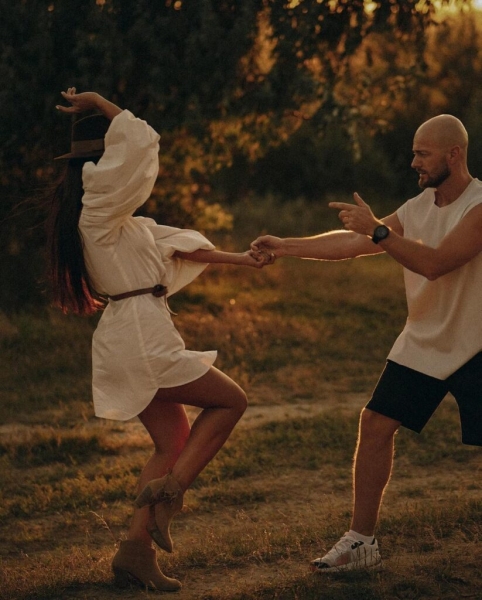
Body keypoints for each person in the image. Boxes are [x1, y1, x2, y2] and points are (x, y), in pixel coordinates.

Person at [47, 88, 274, 591]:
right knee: (232, 401)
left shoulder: (115, 221)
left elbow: (179, 247)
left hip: (135, 335)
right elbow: (140, 141)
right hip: (139, 340)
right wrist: (103, 104)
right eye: (110, 162)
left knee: (172, 443)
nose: (120, 171)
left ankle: (134, 554)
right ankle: (171, 494)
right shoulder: (96, 213)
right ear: (98, 169)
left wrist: (242, 260)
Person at [251, 114, 482, 572]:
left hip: (477, 345)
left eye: (423, 153)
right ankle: (361, 544)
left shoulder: (479, 206)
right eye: (414, 152)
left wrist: (379, 230)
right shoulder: (418, 206)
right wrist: (286, 245)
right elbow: (352, 244)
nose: (413, 162)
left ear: (454, 154)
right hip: (425, 342)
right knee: (375, 423)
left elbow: (435, 264)